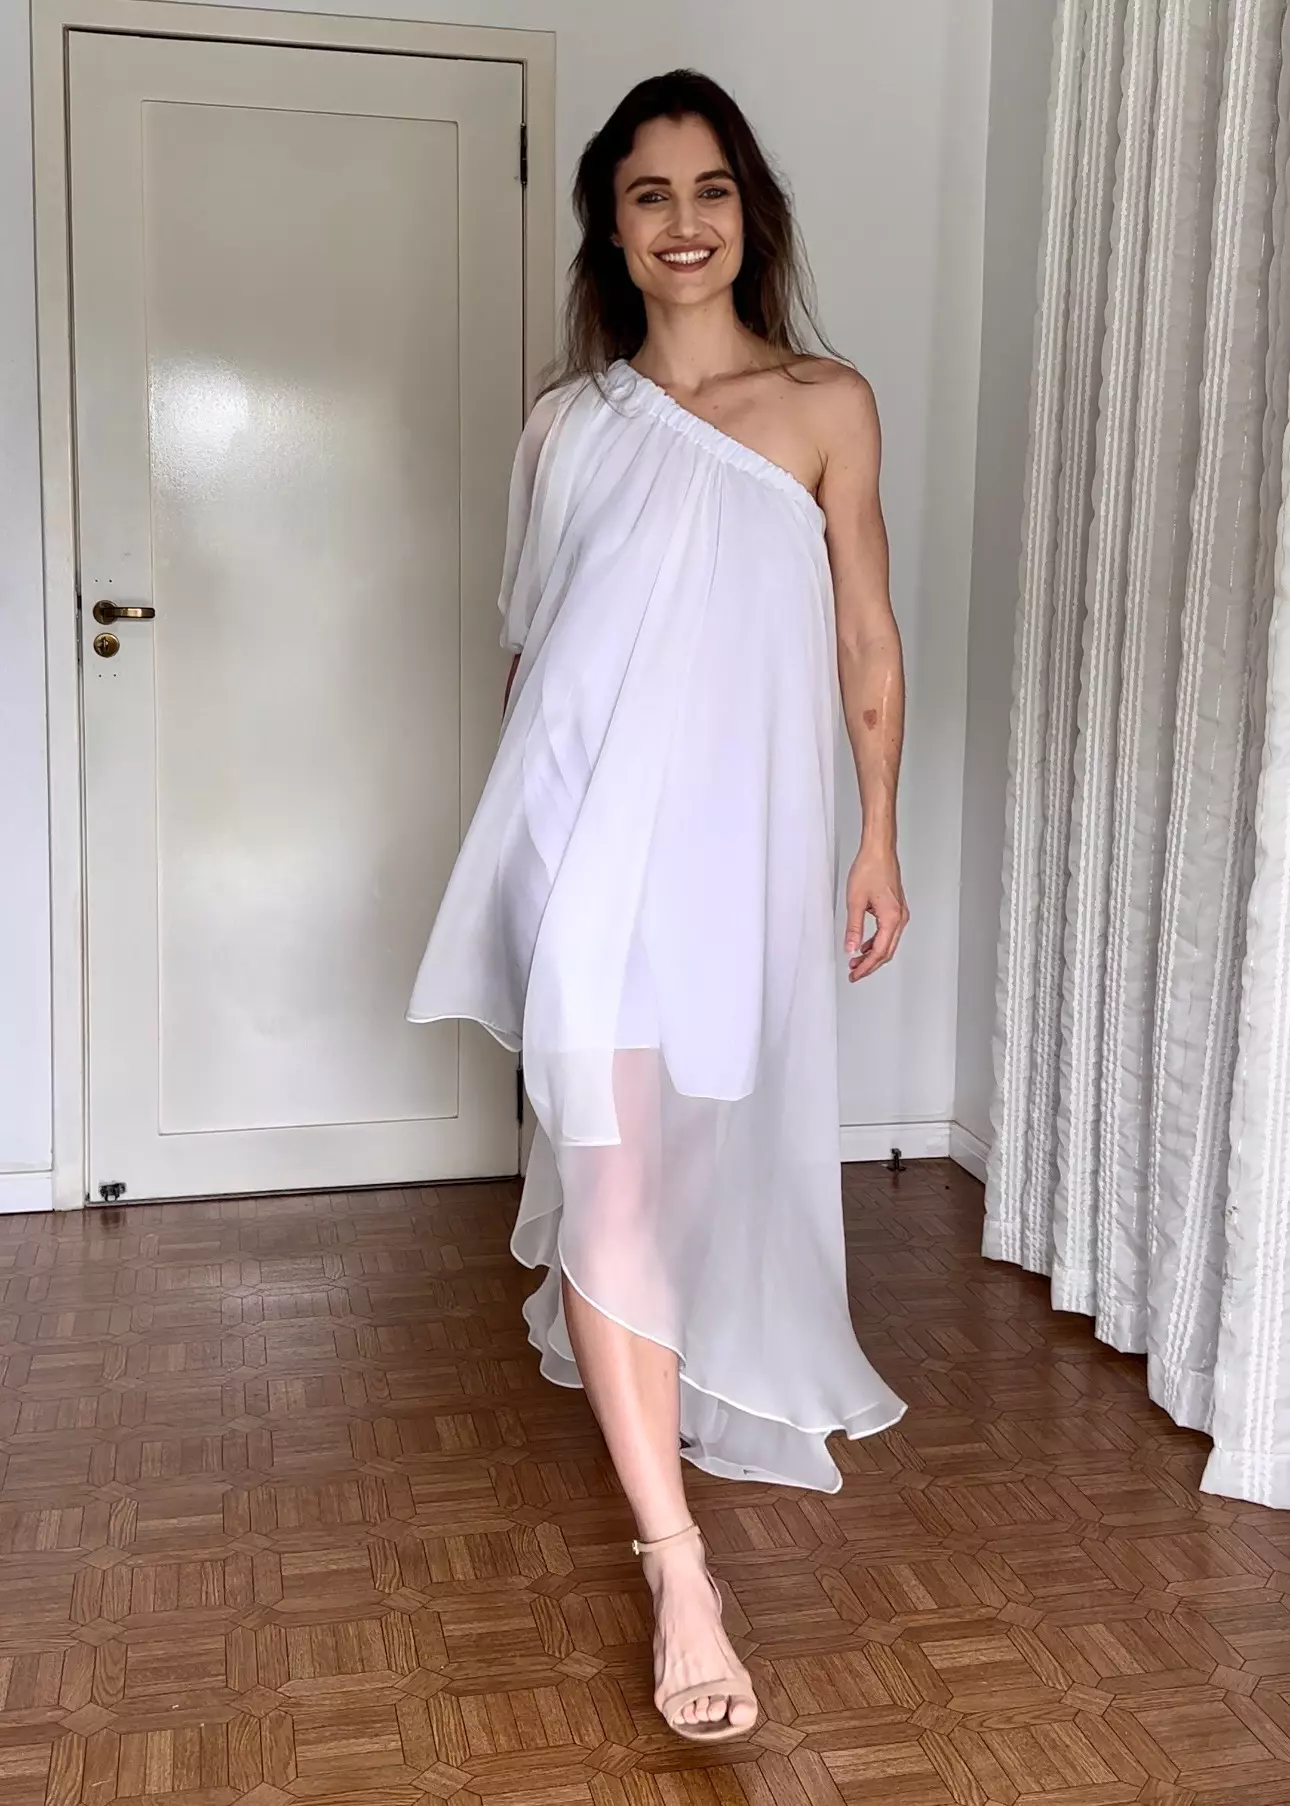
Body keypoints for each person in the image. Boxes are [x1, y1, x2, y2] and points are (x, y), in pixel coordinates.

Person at [409, 69, 908, 1743]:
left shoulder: (825, 404)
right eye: (646, 194)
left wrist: (876, 838)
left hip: (740, 854)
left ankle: (662, 1375)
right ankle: (677, 1568)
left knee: (677, 1162)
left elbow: (863, 636)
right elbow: (531, 653)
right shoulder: (569, 425)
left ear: (747, 212)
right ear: (609, 231)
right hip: (585, 852)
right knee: (617, 1177)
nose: (681, 222)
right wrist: (525, 858)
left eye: (708, 189)